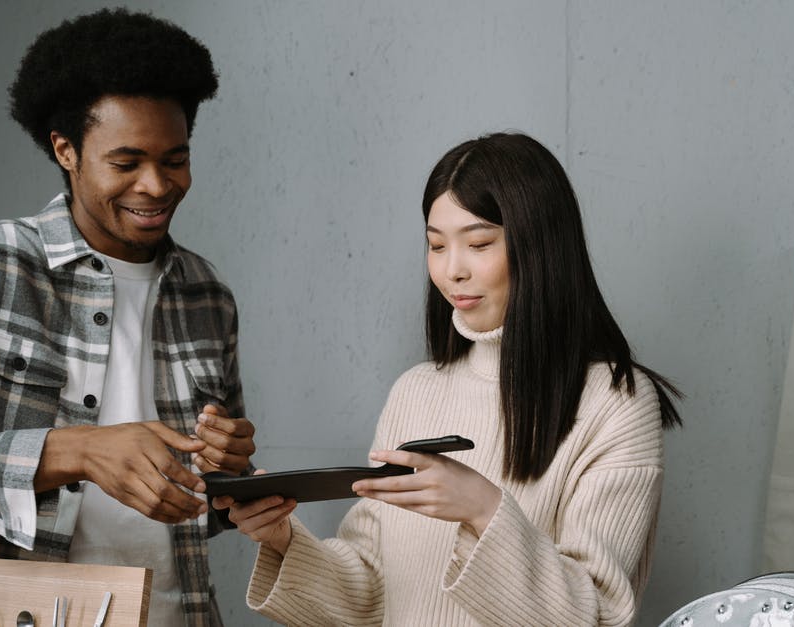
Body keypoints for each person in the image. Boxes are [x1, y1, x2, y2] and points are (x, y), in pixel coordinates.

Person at [0, 9, 255, 626]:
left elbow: (208, 508)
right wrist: (72, 451)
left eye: (175, 158)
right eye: (126, 161)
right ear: (66, 150)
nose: (157, 185)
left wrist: (231, 469)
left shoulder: (206, 295)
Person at [216, 132, 683, 626]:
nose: (451, 271)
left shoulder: (614, 401)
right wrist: (282, 539)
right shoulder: (416, 391)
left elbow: (597, 615)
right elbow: (372, 597)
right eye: (436, 246)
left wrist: (483, 509)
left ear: (540, 247)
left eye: (478, 243)